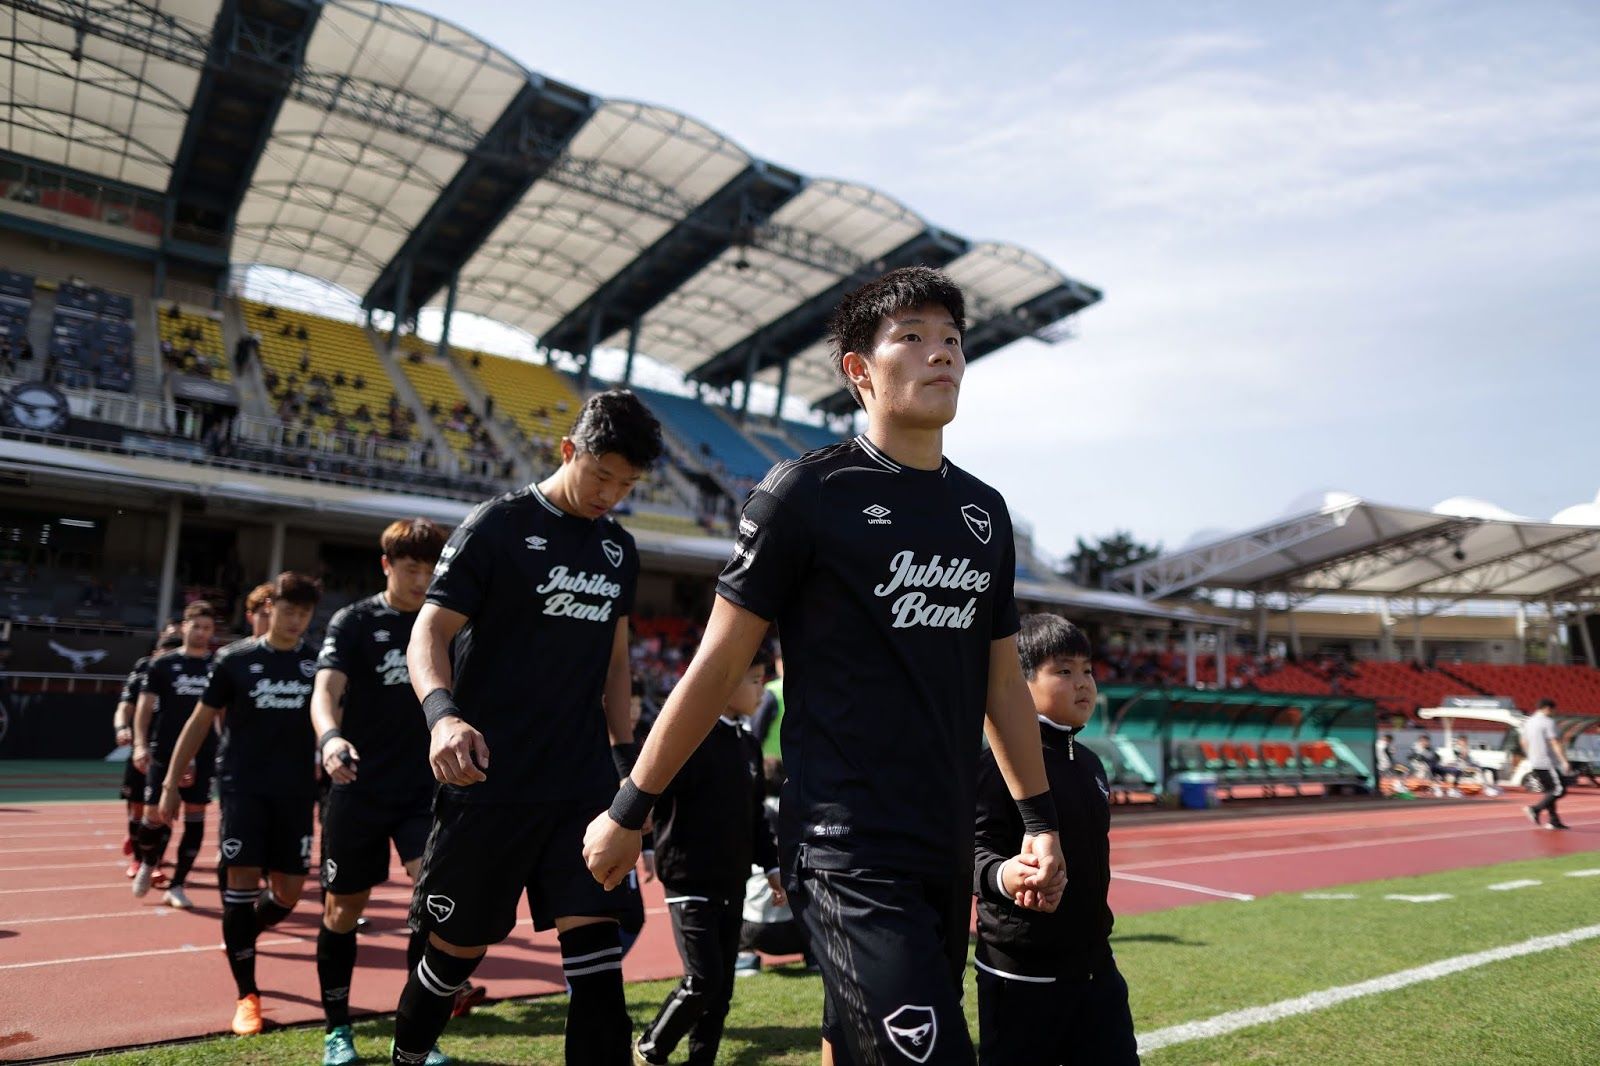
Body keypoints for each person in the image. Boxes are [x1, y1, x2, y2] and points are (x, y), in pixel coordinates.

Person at [582, 267, 1066, 1066]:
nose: (941, 354)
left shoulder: (986, 515)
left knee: (855, 1041)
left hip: (945, 842)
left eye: (952, 340)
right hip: (845, 847)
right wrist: (630, 806)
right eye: (912, 338)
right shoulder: (804, 494)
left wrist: (1039, 822)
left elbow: (1003, 682)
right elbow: (716, 664)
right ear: (858, 370)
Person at [391, 389, 664, 1066]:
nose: (612, 494)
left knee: (600, 971)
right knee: (452, 958)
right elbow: (428, 631)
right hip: (489, 783)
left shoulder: (618, 549)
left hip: (579, 789)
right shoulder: (496, 527)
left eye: (627, 485)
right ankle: (406, 1058)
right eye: (601, 475)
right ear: (569, 451)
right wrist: (442, 718)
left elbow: (617, 665)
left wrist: (627, 769)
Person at [310, 519, 453, 1066]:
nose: (421, 580)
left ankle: (417, 1033)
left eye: (429, 569)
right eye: (411, 568)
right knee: (343, 912)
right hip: (359, 788)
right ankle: (337, 1031)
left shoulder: (445, 625)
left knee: (432, 907)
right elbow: (326, 690)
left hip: (425, 792)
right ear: (387, 566)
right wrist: (330, 736)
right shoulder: (353, 621)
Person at [158, 572, 323, 1036]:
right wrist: (172, 782)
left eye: (304, 614)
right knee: (241, 883)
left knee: (290, 891)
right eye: (288, 611)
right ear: (269, 608)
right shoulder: (234, 660)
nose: (296, 621)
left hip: (296, 793)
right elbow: (199, 721)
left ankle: (242, 934)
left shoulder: (317, 662)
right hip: (242, 788)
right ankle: (247, 994)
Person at [972, 615, 1138, 1065]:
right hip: (1022, 976)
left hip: (1096, 969)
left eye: (1088, 670)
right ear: (1020, 683)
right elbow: (969, 853)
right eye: (1063, 671)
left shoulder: (1091, 763)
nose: (1083, 683)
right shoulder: (999, 766)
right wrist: (1006, 875)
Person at [634, 647, 783, 1066]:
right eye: (755, 680)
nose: (761, 688)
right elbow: (649, 795)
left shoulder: (748, 745)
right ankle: (651, 1047)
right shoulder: (688, 737)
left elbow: (755, 818)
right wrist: (642, 842)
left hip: (732, 880)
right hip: (689, 877)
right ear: (728, 683)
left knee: (721, 992)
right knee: (703, 979)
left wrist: (771, 866)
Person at [131, 601, 219, 908]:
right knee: (153, 816)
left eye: (207, 628)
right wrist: (140, 744)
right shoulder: (162, 665)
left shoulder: (217, 666)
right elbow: (143, 709)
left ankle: (178, 884)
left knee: (195, 817)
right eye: (196, 626)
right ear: (184, 627)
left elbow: (223, 715)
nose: (201, 633)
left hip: (204, 753)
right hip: (164, 752)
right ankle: (148, 862)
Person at [114, 629, 180, 880]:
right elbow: (126, 706)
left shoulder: (189, 672)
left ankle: (154, 861)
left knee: (166, 810)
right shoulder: (144, 670)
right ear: (155, 653)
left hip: (172, 751)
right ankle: (138, 858)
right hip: (144, 750)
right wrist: (123, 728)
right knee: (138, 806)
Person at [1523, 698, 1571, 830]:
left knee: (1550, 791)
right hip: (1548, 762)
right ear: (1547, 708)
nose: (1555, 712)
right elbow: (1554, 743)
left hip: (1535, 762)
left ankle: (1554, 820)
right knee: (1559, 790)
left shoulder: (1528, 722)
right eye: (1554, 710)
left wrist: (1531, 755)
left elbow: (1523, 742)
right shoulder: (1548, 722)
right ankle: (1535, 809)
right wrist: (1564, 761)